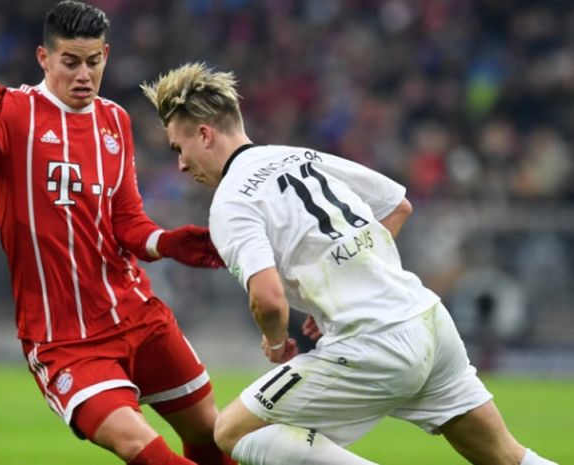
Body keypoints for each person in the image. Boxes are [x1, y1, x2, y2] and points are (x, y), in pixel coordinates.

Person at [141, 62, 559, 465]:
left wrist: (274, 342)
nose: (180, 164)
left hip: (372, 344)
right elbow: (398, 206)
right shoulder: (295, 155)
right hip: (429, 323)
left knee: (233, 432)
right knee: (507, 456)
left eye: (179, 148)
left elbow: (267, 301)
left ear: (204, 133)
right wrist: (334, 294)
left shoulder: (231, 201)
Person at [0, 3, 235, 465]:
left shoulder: (114, 120)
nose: (84, 74)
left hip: (136, 314)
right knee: (139, 445)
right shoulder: (13, 112)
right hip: (64, 338)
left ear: (106, 54)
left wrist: (167, 243)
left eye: (94, 61)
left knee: (212, 434)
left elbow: (127, 221)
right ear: (44, 59)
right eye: (71, 61)